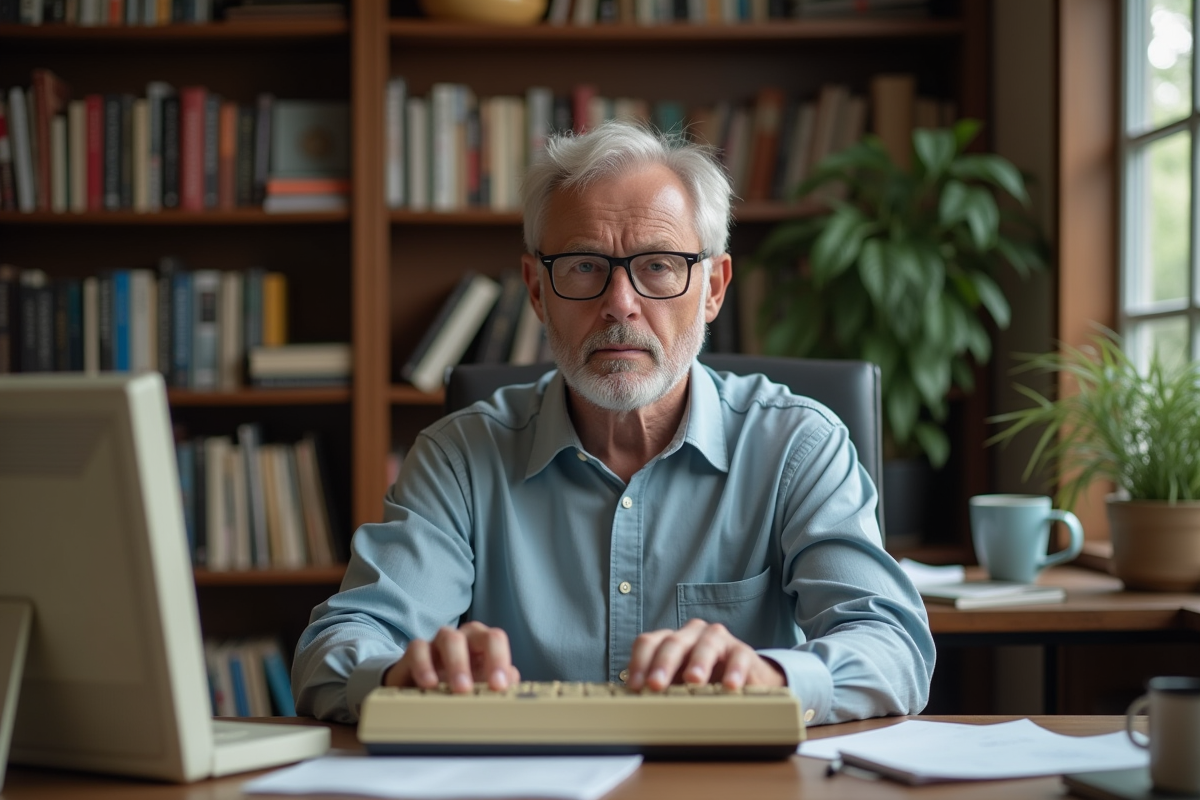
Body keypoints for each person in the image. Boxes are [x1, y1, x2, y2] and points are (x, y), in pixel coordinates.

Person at [293, 120, 935, 726]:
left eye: (658, 265)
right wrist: (397, 676)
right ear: (537, 292)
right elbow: (336, 649)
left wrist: (774, 676)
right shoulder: (459, 457)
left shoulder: (796, 445)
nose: (618, 304)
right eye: (583, 267)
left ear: (713, 287)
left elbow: (894, 646)